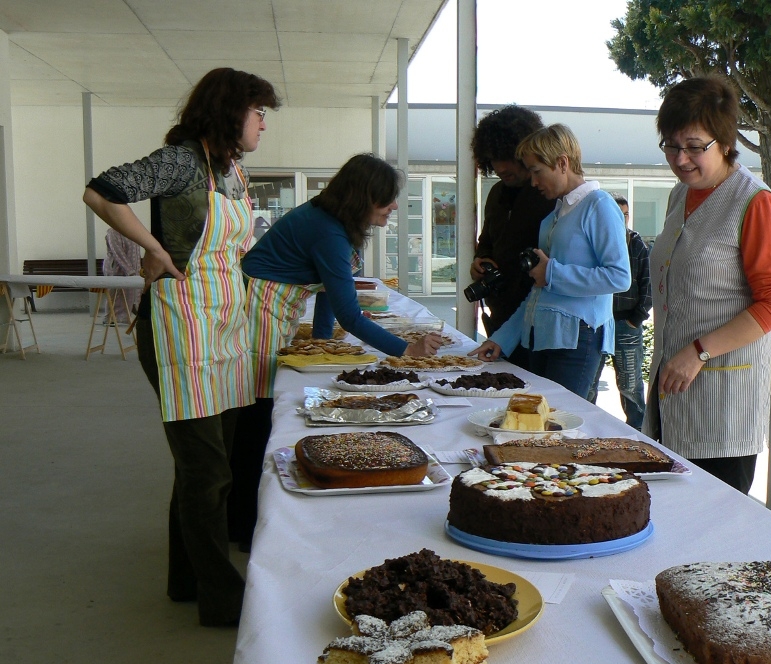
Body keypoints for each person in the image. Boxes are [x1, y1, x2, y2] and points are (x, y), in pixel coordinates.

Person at [83, 67, 280, 627]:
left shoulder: (233, 170)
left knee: (206, 467)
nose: (263, 123)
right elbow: (102, 190)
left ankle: (185, 579)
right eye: (258, 112)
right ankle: (221, 600)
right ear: (229, 111)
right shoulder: (181, 161)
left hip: (224, 324)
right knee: (207, 470)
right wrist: (150, 246)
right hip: (179, 326)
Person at [230, 154, 443, 549]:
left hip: (276, 306)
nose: (394, 206)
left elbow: (328, 287)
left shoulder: (334, 223)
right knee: (259, 412)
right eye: (386, 199)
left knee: (261, 411)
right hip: (259, 308)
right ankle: (242, 525)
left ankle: (241, 519)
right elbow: (351, 312)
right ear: (362, 200)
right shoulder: (328, 232)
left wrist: (322, 345)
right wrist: (406, 350)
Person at [642, 76, 771, 495]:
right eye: (670, 144)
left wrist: (700, 351)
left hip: (724, 401)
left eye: (694, 146)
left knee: (716, 530)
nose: (680, 158)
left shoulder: (755, 201)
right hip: (669, 391)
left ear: (723, 140)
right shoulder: (679, 196)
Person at [470, 124, 630, 399]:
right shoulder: (557, 214)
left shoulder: (599, 205)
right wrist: (503, 338)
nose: (532, 182)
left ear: (562, 163)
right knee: (541, 421)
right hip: (542, 337)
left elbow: (619, 277)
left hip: (578, 338)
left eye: (536, 172)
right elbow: (539, 290)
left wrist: (553, 273)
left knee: (559, 423)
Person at [469, 105, 556, 367]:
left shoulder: (548, 196)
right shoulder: (496, 194)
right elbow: (487, 242)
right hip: (499, 317)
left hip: (539, 321)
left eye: (505, 157)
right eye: (492, 159)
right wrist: (480, 261)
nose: (498, 167)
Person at [591, 193, 652, 429]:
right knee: (589, 383)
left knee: (630, 385)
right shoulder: (595, 243)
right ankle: (586, 432)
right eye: (618, 215)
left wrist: (636, 319)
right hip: (597, 323)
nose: (623, 220)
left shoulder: (636, 245)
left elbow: (649, 286)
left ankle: (639, 433)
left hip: (626, 323)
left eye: (626, 215)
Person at [102, 227, 141, 324]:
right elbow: (117, 253)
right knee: (116, 294)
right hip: (116, 269)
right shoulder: (113, 232)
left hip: (133, 269)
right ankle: (111, 318)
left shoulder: (132, 231)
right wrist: (130, 271)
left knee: (131, 293)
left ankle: (126, 316)